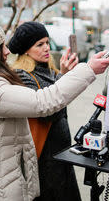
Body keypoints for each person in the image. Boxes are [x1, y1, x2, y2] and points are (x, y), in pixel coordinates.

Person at [0, 17, 109, 201]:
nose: (7, 51)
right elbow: (44, 104)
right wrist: (88, 69)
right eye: (0, 47)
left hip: (3, 177)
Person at [8, 21, 81, 201]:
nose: (46, 48)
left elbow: (61, 99)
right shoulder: (22, 75)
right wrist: (64, 77)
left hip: (62, 153)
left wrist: (63, 74)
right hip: (44, 157)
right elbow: (50, 112)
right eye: (39, 44)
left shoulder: (48, 70)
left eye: (47, 42)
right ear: (26, 49)